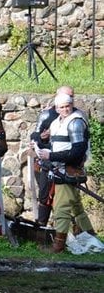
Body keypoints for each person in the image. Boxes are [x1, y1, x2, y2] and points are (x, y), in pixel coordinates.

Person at [35, 91, 96, 253]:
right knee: (76, 207)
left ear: (72, 104)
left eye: (67, 106)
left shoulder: (75, 122)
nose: (65, 110)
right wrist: (43, 139)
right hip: (58, 169)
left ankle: (58, 246)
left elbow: (78, 151)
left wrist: (51, 155)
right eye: (61, 107)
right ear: (56, 108)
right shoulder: (56, 122)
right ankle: (92, 237)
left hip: (69, 170)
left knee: (61, 208)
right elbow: (52, 142)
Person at [30, 85, 86, 227]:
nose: (66, 107)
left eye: (71, 99)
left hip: (68, 165)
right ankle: (42, 227)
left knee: (68, 204)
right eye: (62, 105)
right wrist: (41, 138)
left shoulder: (77, 118)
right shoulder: (48, 116)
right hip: (47, 162)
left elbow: (79, 148)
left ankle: (65, 237)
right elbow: (35, 136)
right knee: (45, 195)